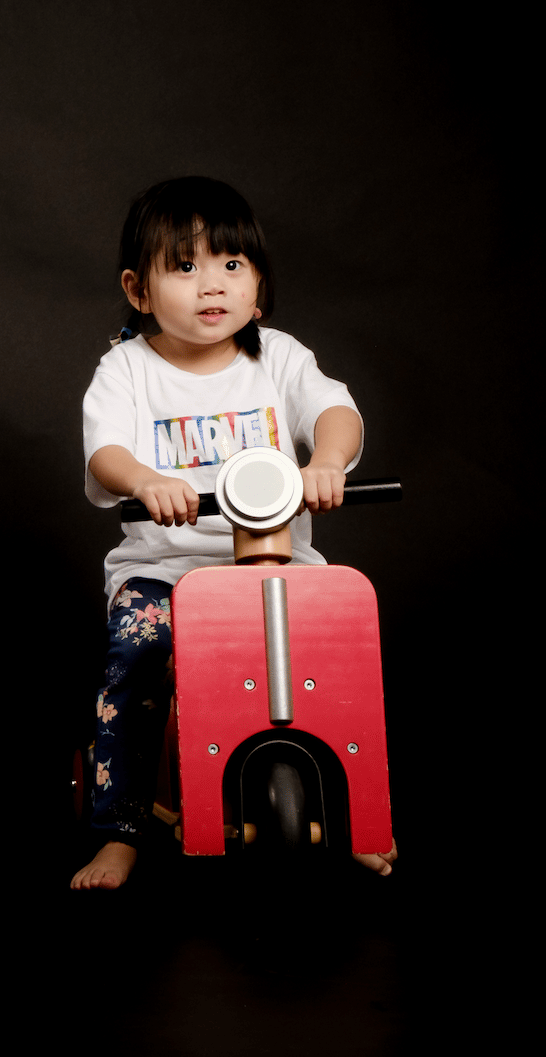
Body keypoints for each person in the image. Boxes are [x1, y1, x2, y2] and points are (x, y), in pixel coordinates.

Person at [70, 176, 396, 890]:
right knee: (134, 654)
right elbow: (106, 452)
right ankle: (118, 829)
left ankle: (357, 815)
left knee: (345, 655)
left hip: (279, 566)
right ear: (137, 289)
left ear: (256, 281)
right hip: (167, 570)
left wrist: (327, 462)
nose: (209, 283)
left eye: (229, 264)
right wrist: (142, 481)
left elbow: (336, 413)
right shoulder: (127, 368)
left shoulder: (276, 357)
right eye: (183, 266)